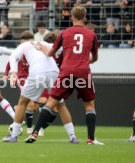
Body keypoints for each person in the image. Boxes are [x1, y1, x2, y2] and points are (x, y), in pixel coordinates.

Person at [26, 6, 104, 145]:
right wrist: (87, 60)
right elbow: (96, 58)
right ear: (85, 17)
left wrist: (45, 50)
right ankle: (90, 139)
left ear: (71, 17)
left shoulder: (64, 33)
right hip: (83, 73)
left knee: (50, 104)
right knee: (89, 105)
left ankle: (34, 134)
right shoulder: (91, 35)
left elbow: (51, 53)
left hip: (66, 72)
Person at [2, 30, 59, 143]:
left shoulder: (30, 46)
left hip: (36, 74)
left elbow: (12, 57)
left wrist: (13, 72)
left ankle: (19, 133)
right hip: (38, 75)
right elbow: (11, 60)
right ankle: (72, 136)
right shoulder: (38, 45)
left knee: (29, 102)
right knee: (53, 103)